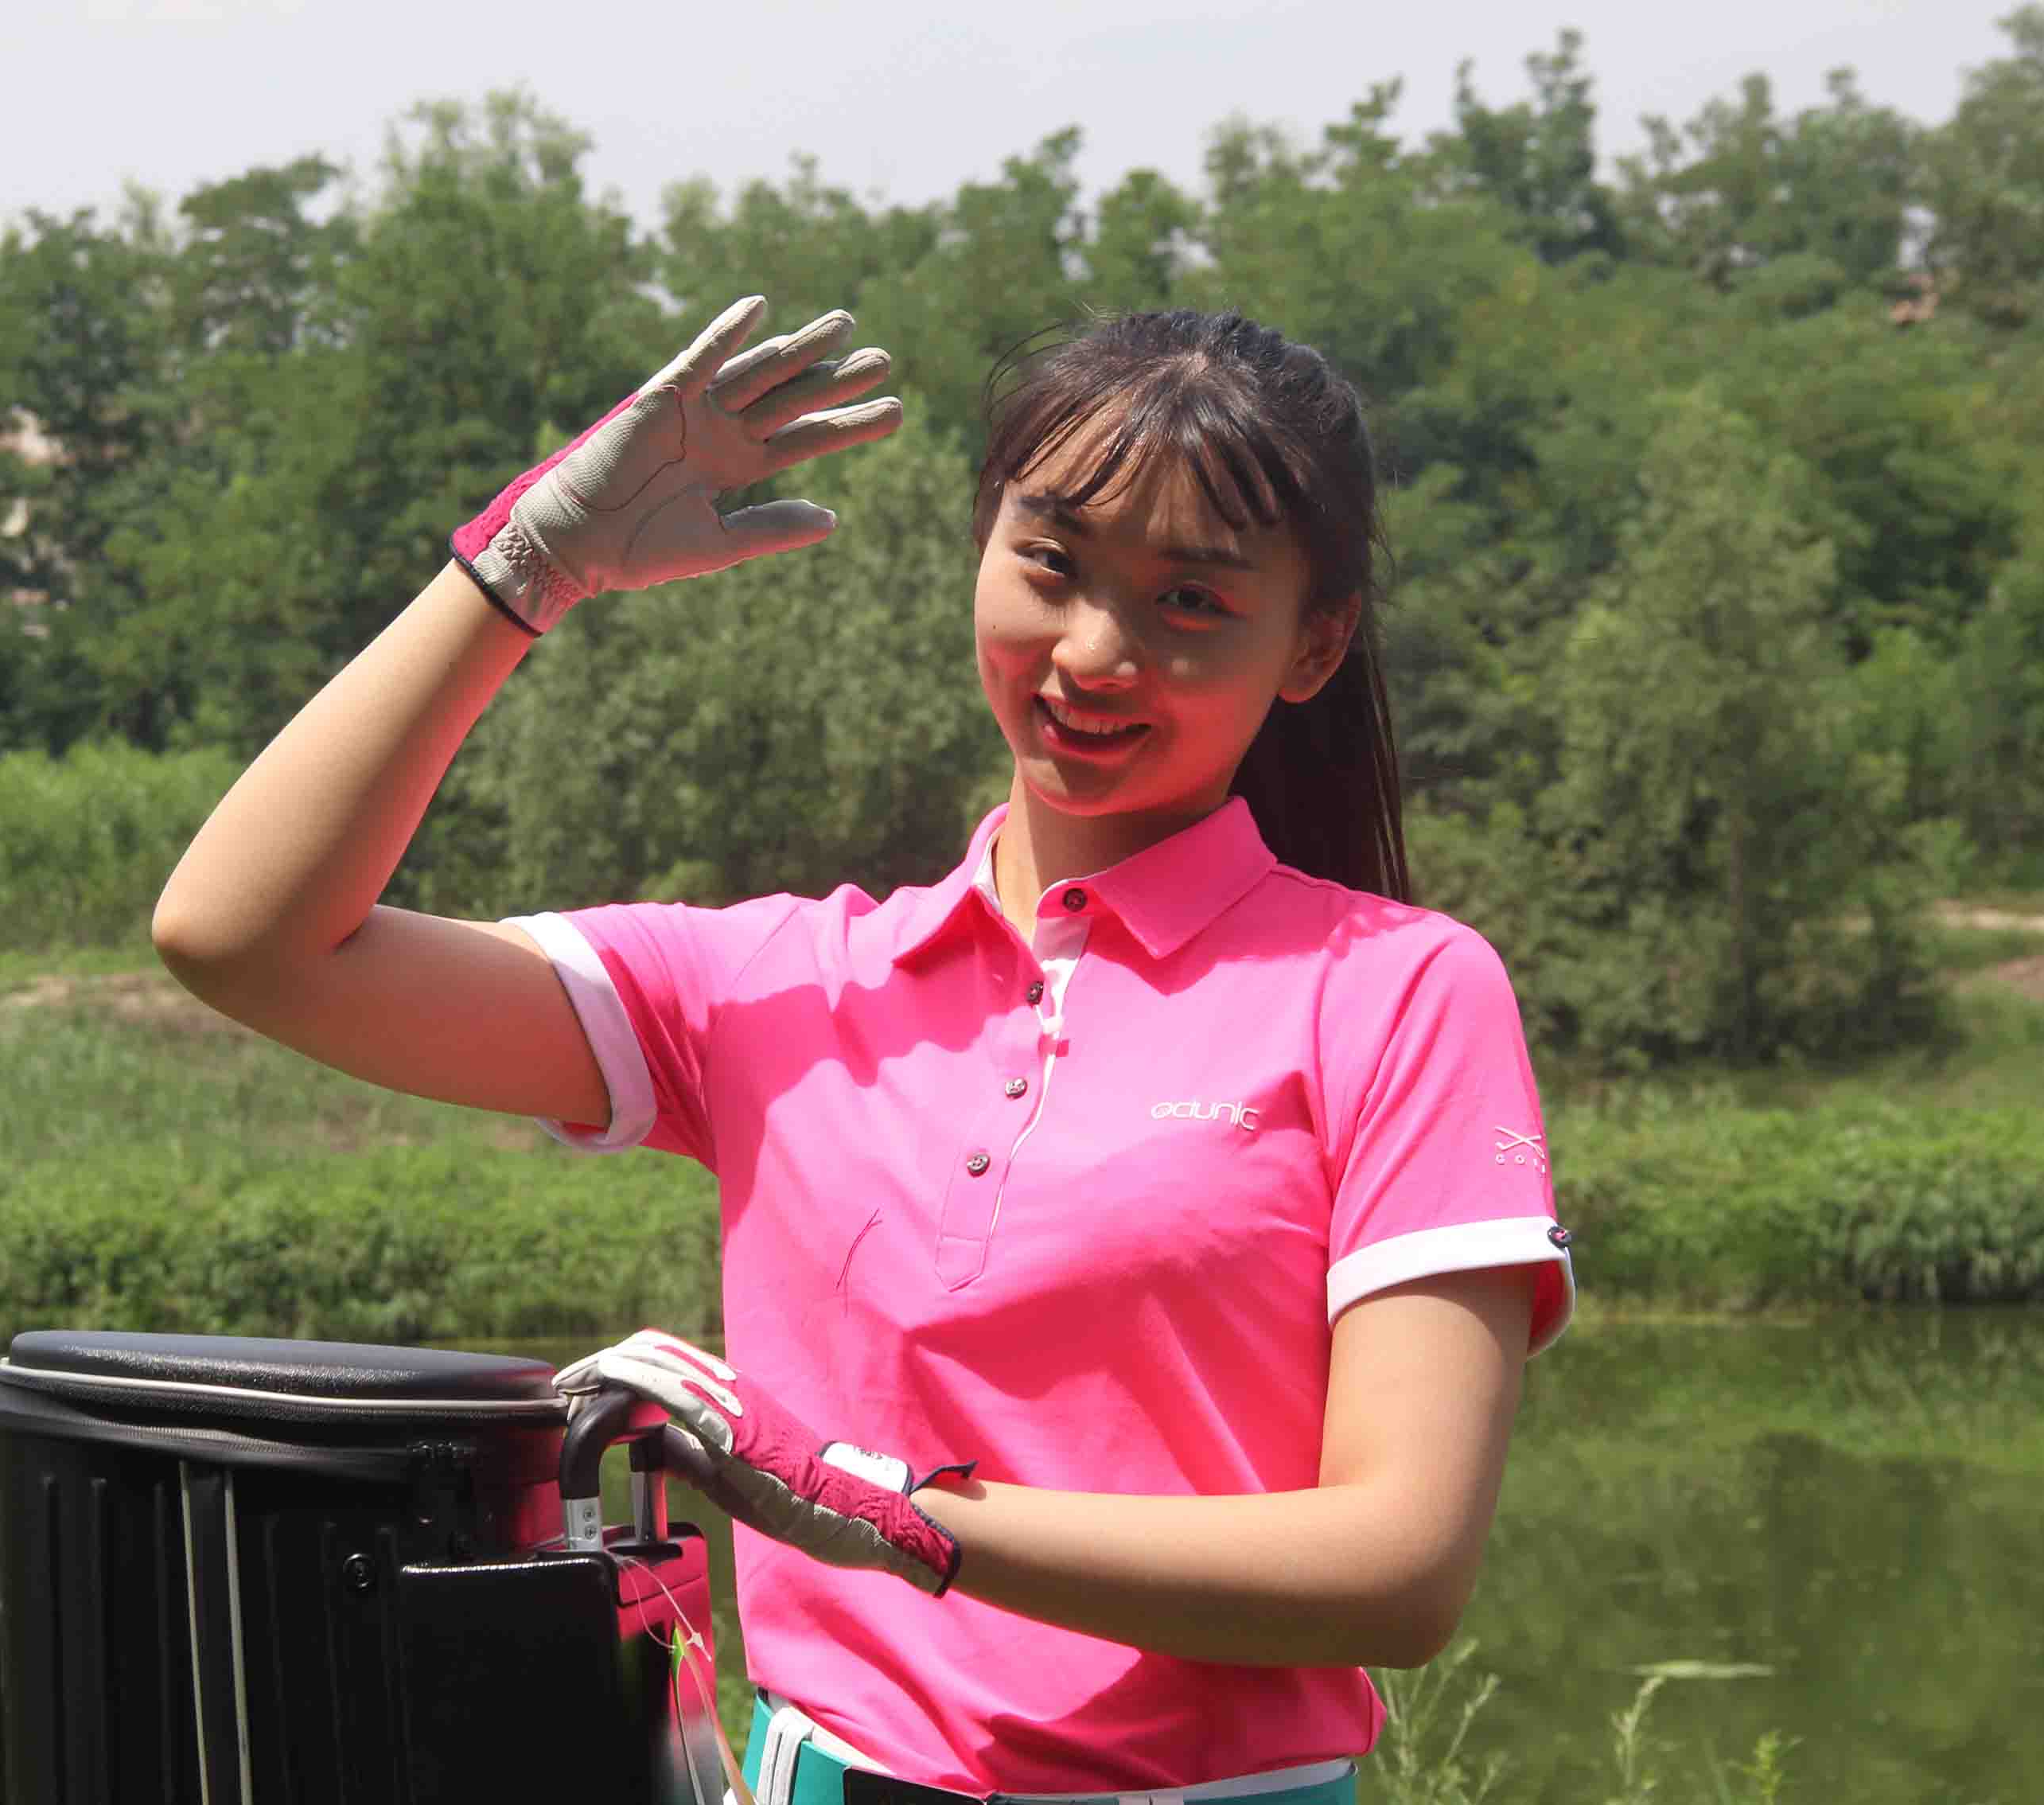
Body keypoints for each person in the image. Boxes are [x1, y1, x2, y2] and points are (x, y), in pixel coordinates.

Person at [152, 295, 1573, 1805]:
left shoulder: (1396, 992)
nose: (1095, 651)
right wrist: (526, 566)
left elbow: (1398, 1570)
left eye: (1191, 602)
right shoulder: (773, 983)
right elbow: (245, 939)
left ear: (1314, 642)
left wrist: (878, 1512)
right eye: (1052, 564)